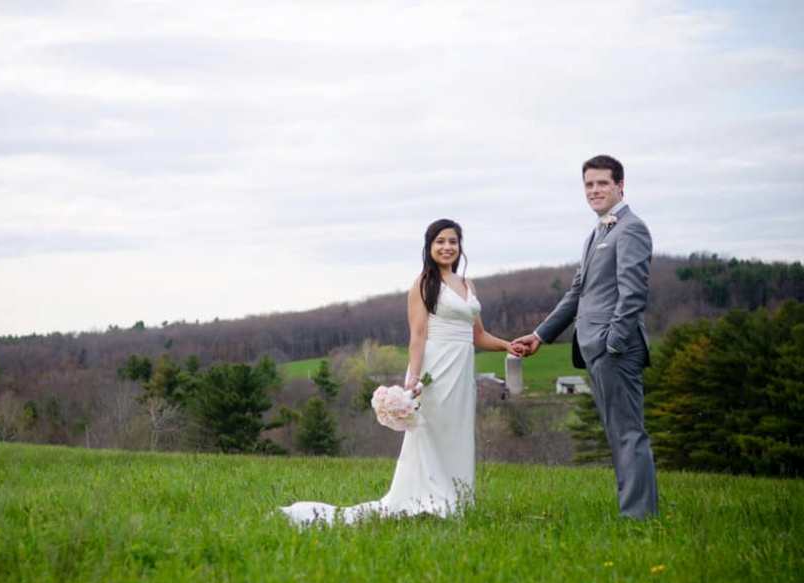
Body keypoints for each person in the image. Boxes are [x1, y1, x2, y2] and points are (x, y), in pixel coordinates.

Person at [280, 219, 524, 526]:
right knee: (431, 430)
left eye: (453, 241)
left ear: (460, 246)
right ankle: (430, 497)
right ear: (429, 246)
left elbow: (477, 336)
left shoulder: (467, 284)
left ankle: (457, 496)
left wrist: (508, 345)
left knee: (456, 432)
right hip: (435, 367)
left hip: (462, 369)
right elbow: (418, 335)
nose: (447, 247)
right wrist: (415, 378)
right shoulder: (423, 283)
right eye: (440, 241)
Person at [513, 155, 659, 519]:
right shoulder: (598, 232)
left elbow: (632, 295)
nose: (595, 190)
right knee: (617, 433)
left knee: (628, 433)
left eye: (602, 184)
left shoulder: (631, 229)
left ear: (620, 185)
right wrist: (540, 335)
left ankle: (638, 517)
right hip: (593, 346)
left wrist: (614, 342)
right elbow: (577, 293)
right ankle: (635, 511)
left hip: (616, 349)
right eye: (589, 185)